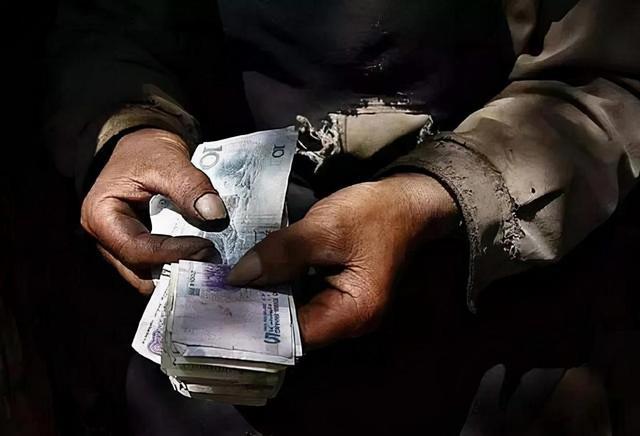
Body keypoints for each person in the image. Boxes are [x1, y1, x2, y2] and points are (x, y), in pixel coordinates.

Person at [46, 0, 639, 434]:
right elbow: (101, 25)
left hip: (489, 326)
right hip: (208, 373)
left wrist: (429, 200)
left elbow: (613, 74)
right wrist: (127, 126)